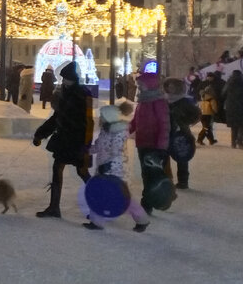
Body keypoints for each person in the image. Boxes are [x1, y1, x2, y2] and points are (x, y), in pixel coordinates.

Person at [33, 62, 93, 218]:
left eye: (66, 79)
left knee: (82, 172)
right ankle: (54, 207)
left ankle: (100, 204)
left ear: (72, 79)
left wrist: (85, 144)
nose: (63, 81)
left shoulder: (81, 95)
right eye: (63, 79)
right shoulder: (65, 94)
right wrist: (40, 134)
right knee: (57, 169)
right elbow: (56, 118)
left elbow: (87, 121)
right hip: (64, 140)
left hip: (76, 141)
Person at [83, 104, 150, 232]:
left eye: (102, 116)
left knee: (125, 198)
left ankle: (142, 220)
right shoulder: (105, 130)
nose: (100, 118)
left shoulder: (119, 132)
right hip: (103, 168)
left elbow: (117, 152)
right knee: (99, 194)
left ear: (109, 117)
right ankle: (96, 222)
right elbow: (99, 146)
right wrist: (88, 150)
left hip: (116, 171)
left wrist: (108, 166)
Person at [130, 73, 170, 213]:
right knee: (146, 174)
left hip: (154, 145)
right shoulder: (142, 101)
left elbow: (164, 125)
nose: (139, 87)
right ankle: (149, 202)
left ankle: (147, 204)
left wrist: (161, 147)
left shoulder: (158, 102)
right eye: (139, 85)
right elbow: (136, 120)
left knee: (150, 175)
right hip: (142, 143)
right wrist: (126, 130)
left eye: (141, 85)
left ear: (150, 84)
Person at [163, 78, 200, 189]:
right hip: (165, 132)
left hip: (180, 133)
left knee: (181, 157)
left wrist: (184, 122)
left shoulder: (184, 101)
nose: (170, 88)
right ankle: (165, 179)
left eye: (173, 86)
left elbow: (196, 114)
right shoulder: (164, 101)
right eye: (169, 86)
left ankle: (183, 181)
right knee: (163, 157)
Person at [223, 70, 243, 149]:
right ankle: (240, 141)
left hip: (231, 108)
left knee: (234, 126)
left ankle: (233, 143)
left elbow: (223, 94)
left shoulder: (228, 85)